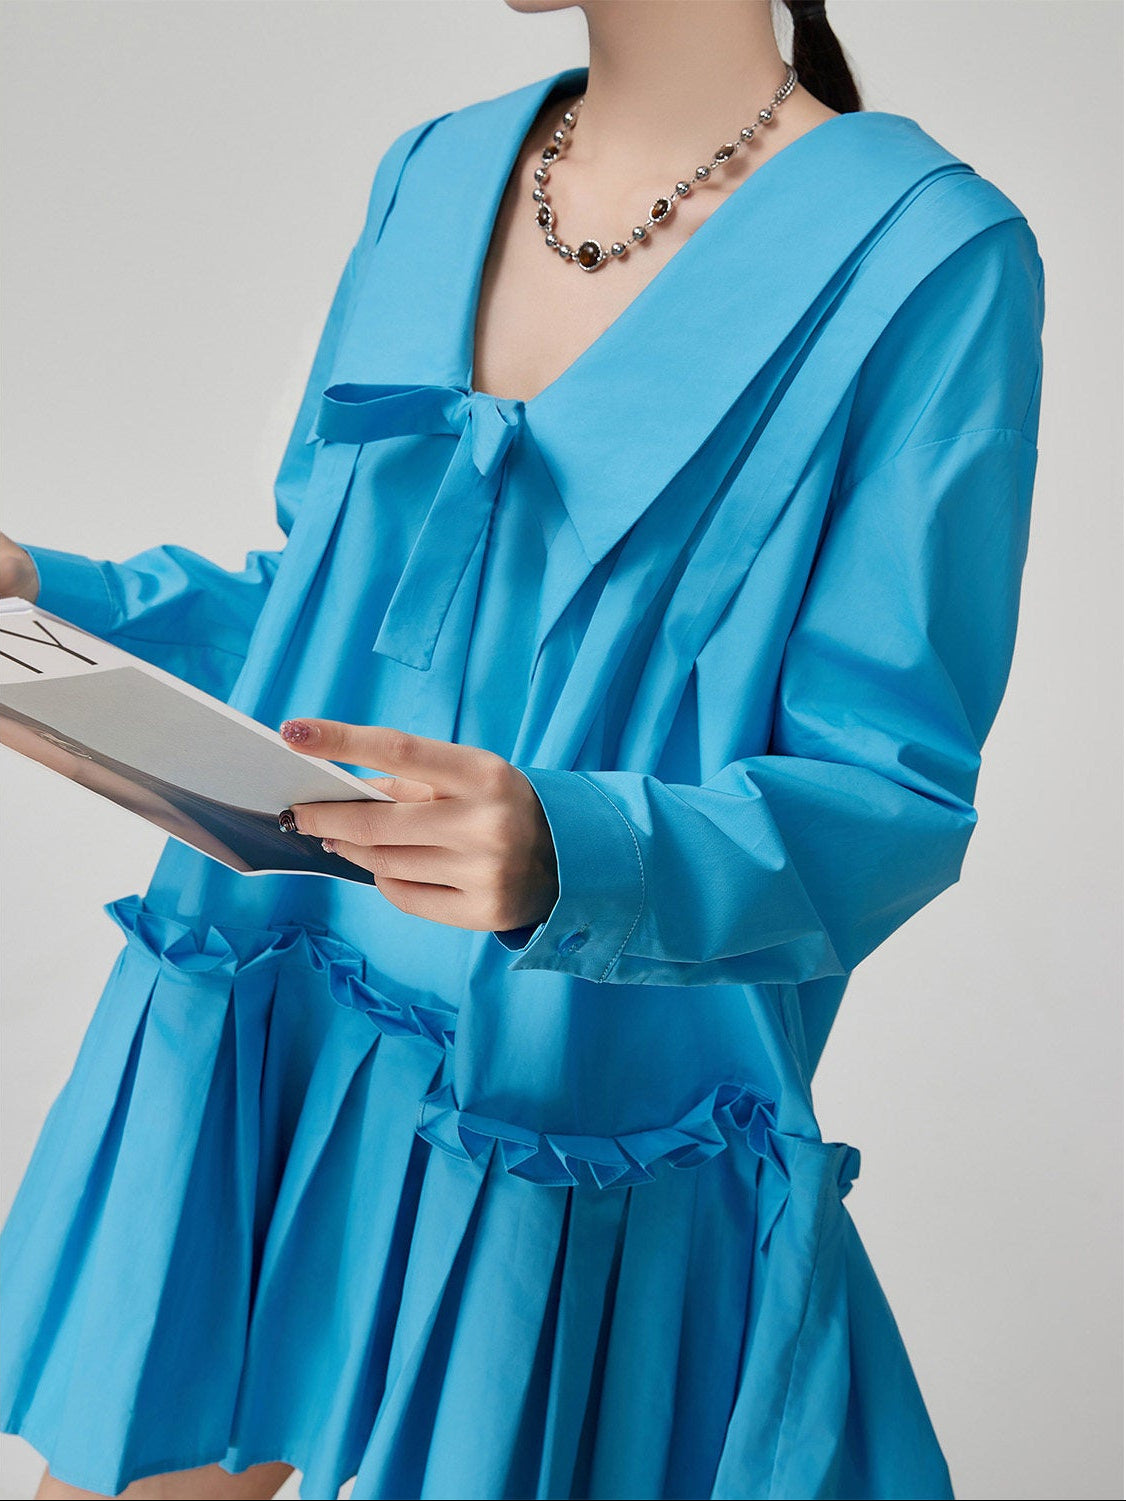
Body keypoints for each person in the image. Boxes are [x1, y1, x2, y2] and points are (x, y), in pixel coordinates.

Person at [0, 1, 1045, 1498]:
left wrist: (574, 850)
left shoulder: (924, 260)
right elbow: (333, 626)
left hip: (567, 1087)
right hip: (279, 988)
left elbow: (886, 795)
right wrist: (62, 605)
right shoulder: (436, 171)